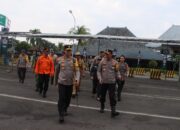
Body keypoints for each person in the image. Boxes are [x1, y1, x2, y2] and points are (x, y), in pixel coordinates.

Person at [55, 45, 80, 123]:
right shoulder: (59, 60)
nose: (69, 52)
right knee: (61, 98)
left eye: (70, 50)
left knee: (68, 99)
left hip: (70, 83)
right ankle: (61, 114)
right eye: (67, 50)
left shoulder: (74, 60)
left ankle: (65, 109)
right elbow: (57, 71)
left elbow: (77, 71)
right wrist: (55, 81)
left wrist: (77, 79)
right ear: (64, 51)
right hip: (61, 83)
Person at [97, 49, 121, 118]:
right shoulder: (102, 61)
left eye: (107, 54)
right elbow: (98, 71)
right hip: (103, 82)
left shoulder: (115, 62)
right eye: (105, 54)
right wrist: (100, 78)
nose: (106, 55)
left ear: (111, 54)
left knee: (112, 96)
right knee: (102, 95)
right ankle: (102, 106)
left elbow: (117, 72)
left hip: (112, 82)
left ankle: (113, 111)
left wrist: (119, 76)